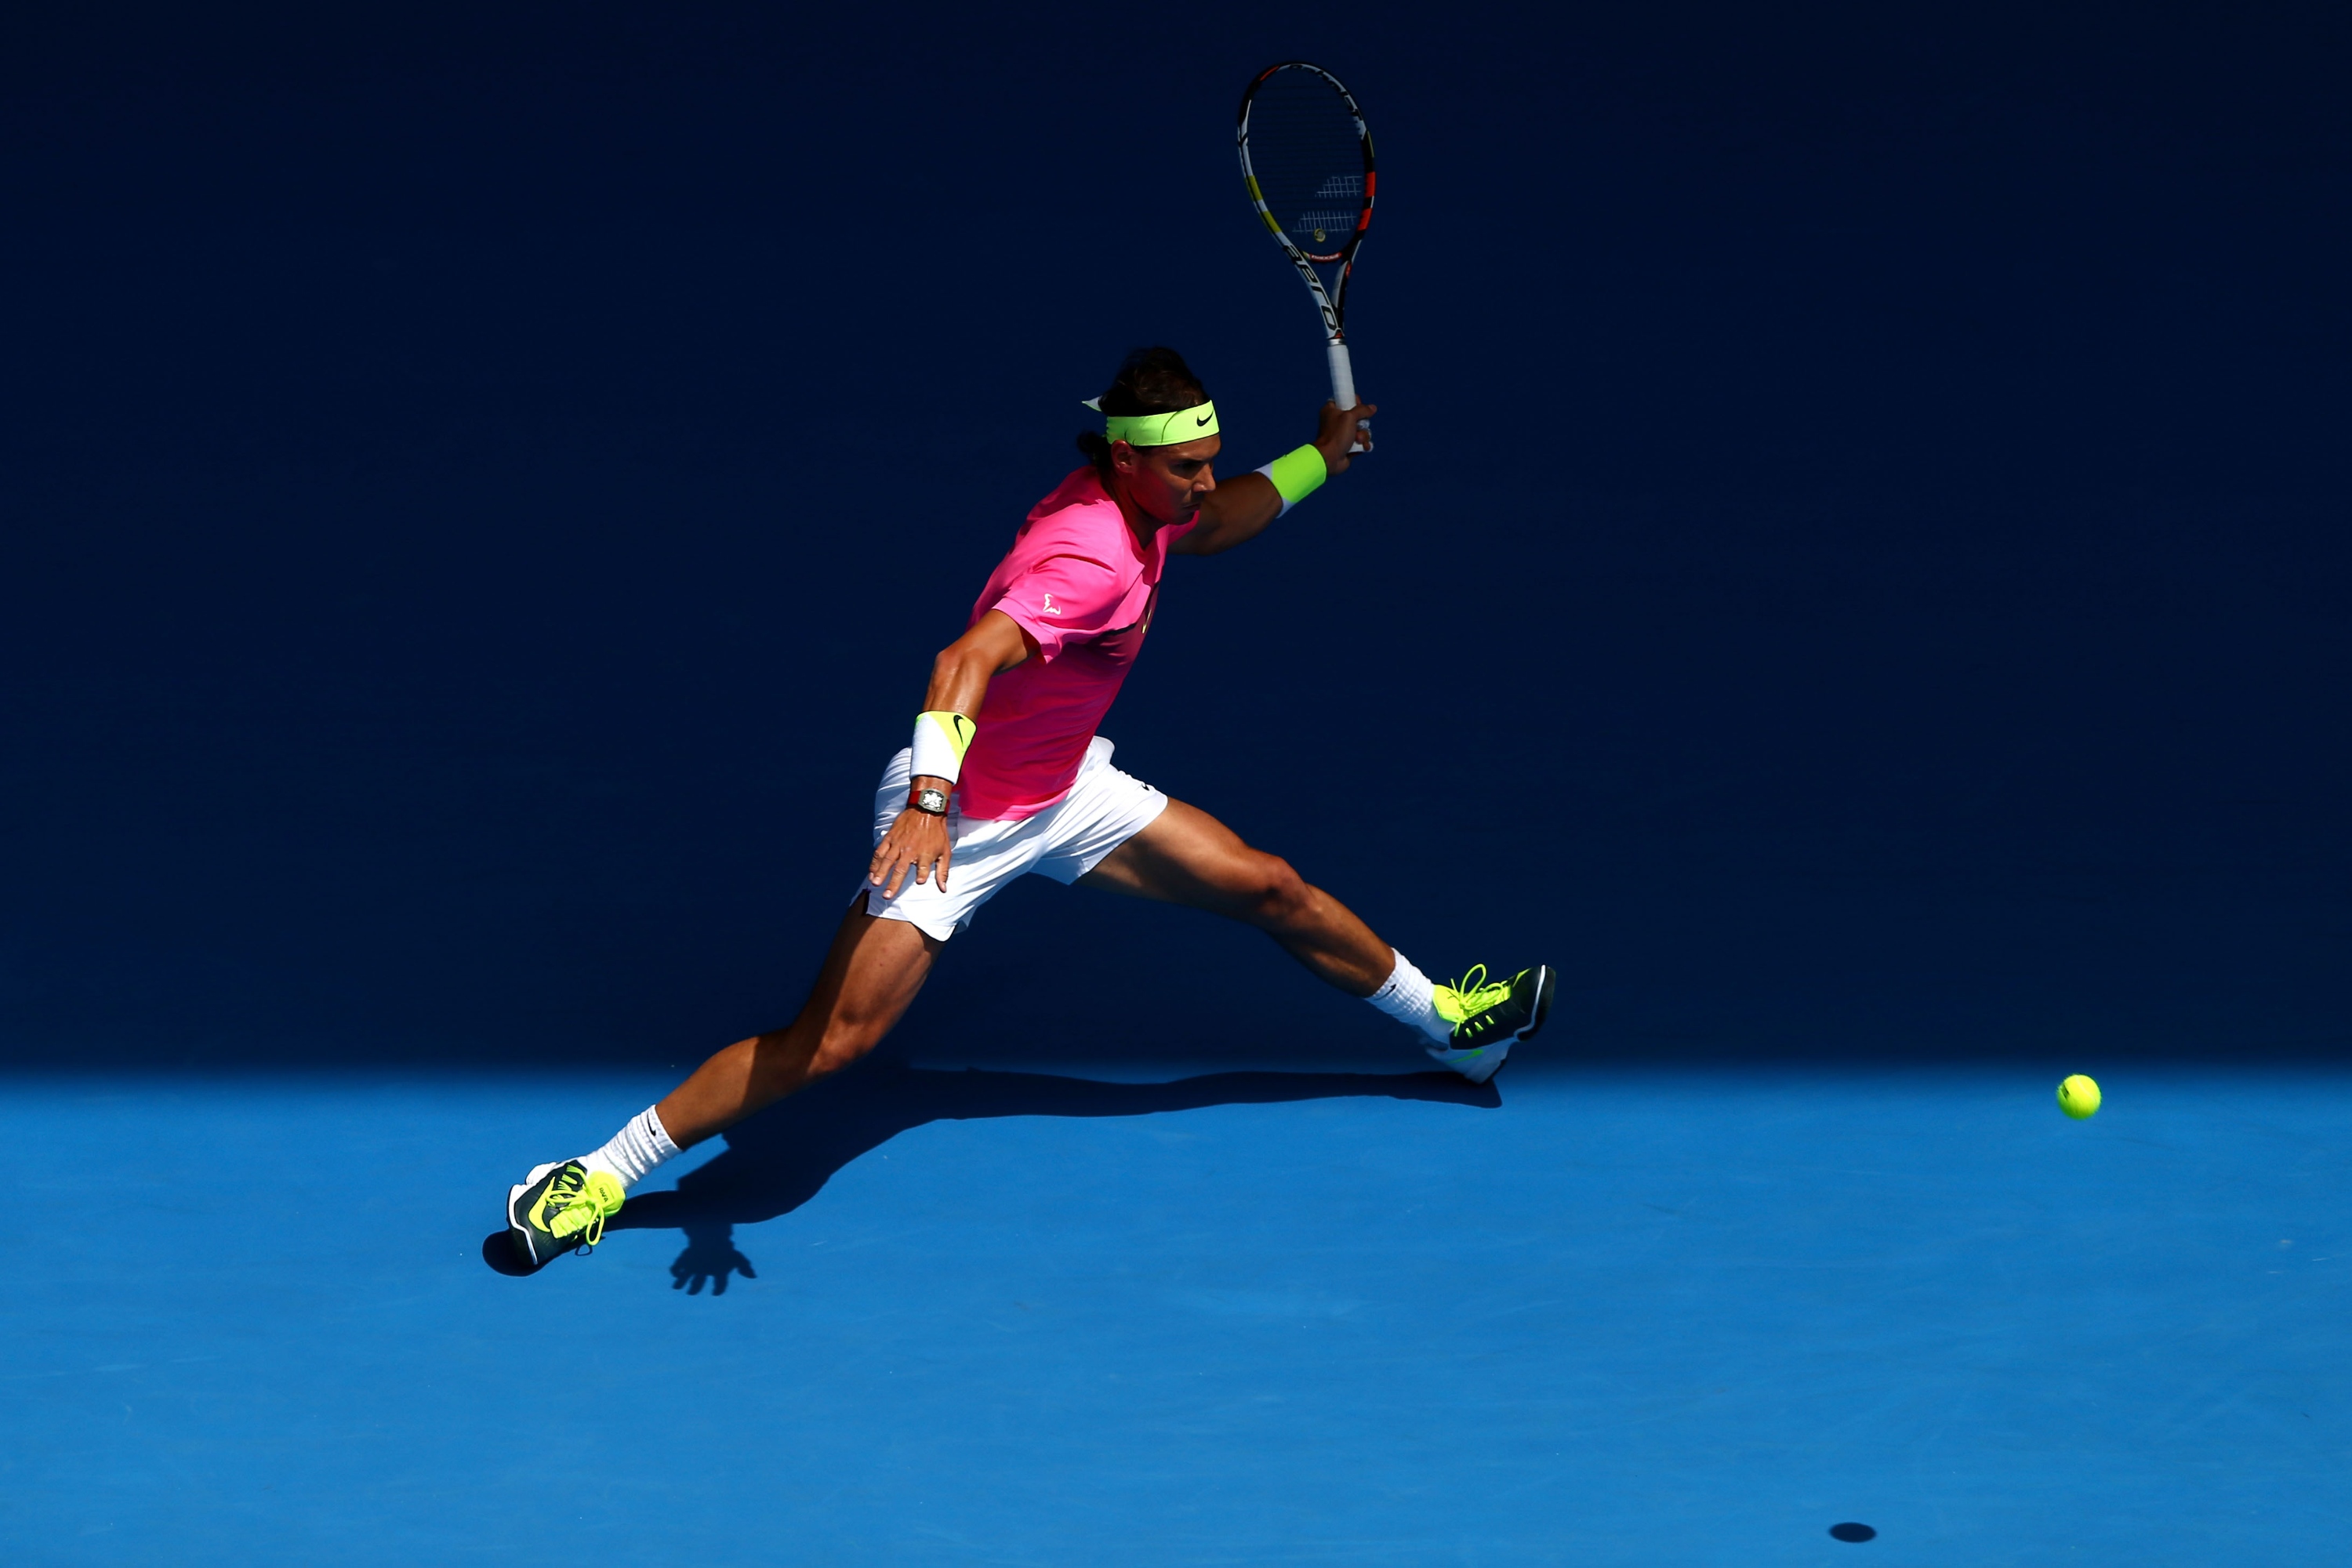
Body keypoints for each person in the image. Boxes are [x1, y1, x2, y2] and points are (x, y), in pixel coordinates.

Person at [505, 347, 1555, 1270]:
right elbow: (964, 658)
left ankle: (1450, 1028)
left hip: (1063, 792)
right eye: (1185, 466)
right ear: (1128, 461)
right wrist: (927, 803)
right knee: (828, 1047)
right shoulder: (1087, 558)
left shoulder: (1148, 509)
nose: (1201, 482)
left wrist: (1321, 455)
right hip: (956, 819)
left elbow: (1226, 516)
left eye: (1206, 458)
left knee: (1268, 886)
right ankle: (594, 1177)